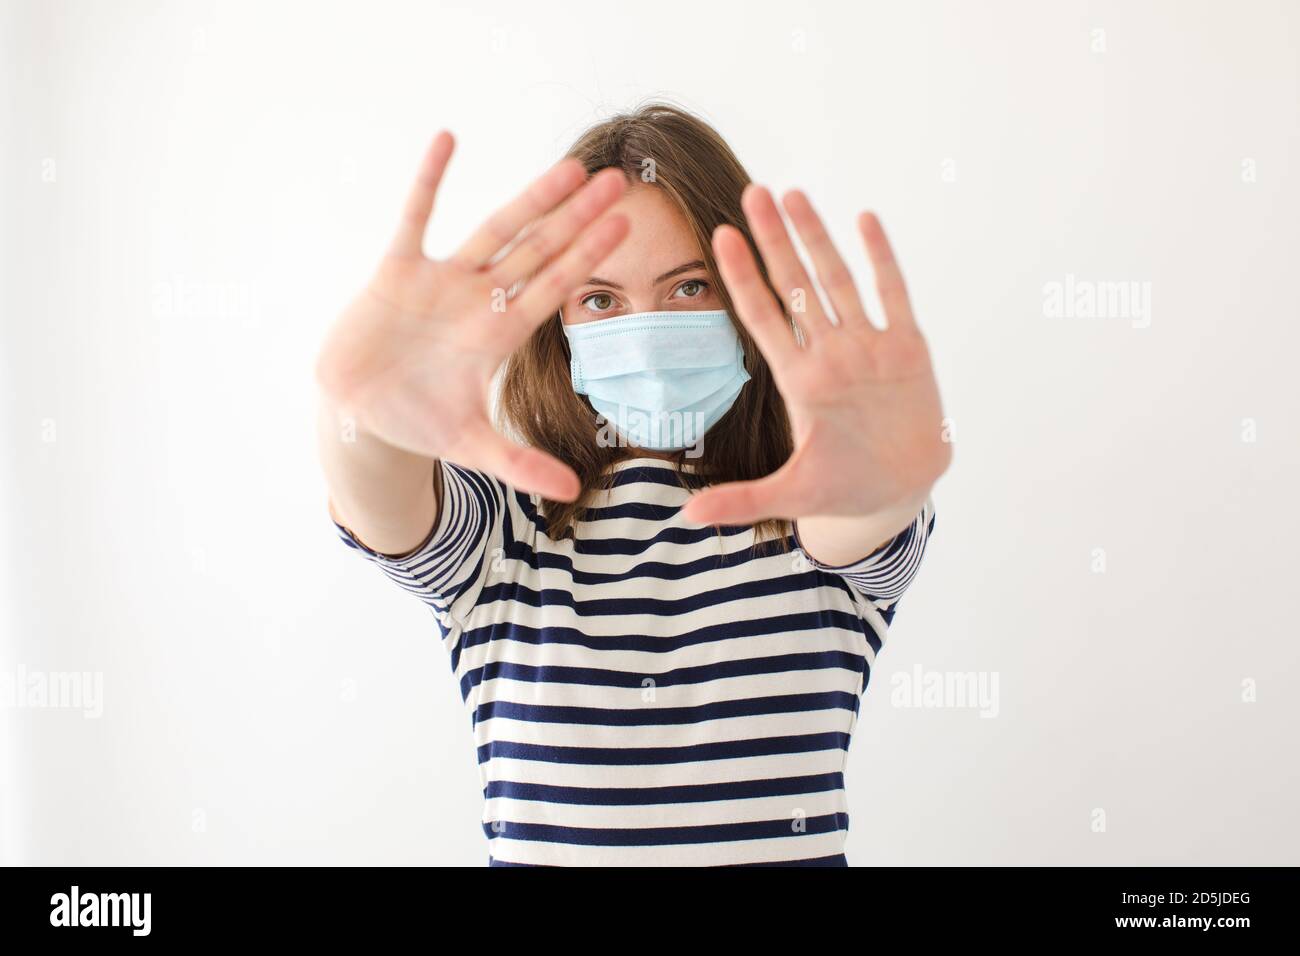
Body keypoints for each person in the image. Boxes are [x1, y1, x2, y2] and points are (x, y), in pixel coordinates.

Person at [315, 103, 951, 866]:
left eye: (688, 288)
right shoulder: (506, 530)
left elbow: (864, 515)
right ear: (560, 325)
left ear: (751, 302)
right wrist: (356, 410)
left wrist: (884, 479)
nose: (646, 331)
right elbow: (380, 499)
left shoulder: (812, 507)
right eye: (601, 300)